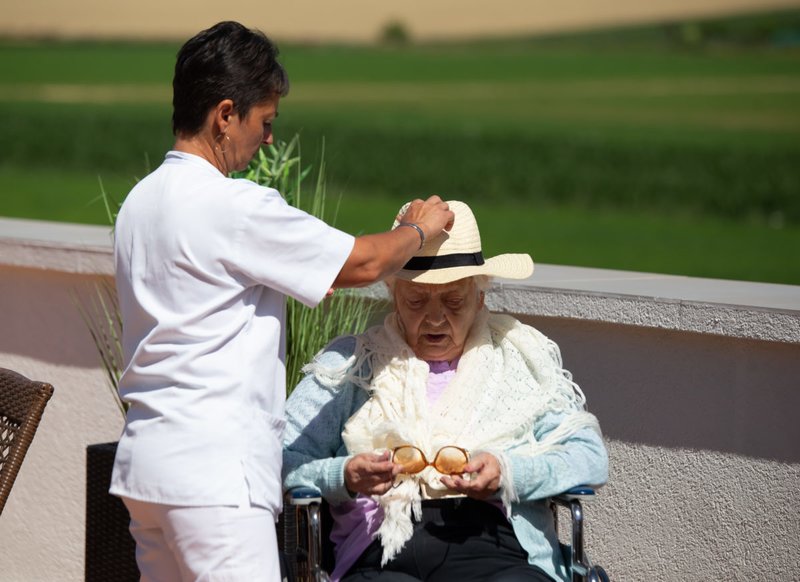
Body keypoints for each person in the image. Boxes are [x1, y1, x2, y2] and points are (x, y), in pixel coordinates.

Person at [110, 21, 454, 582]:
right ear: (225, 114)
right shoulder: (231, 205)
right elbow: (361, 263)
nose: (268, 139)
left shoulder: (139, 203)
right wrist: (420, 230)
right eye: (264, 122)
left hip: (147, 468)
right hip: (213, 479)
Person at [283, 200, 608, 582]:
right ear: (394, 296)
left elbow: (589, 458)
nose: (435, 318)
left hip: (491, 542)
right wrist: (343, 475)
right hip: (380, 547)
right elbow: (274, 456)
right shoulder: (353, 363)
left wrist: (508, 472)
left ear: (480, 297)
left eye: (454, 301)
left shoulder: (520, 359)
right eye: (417, 301)